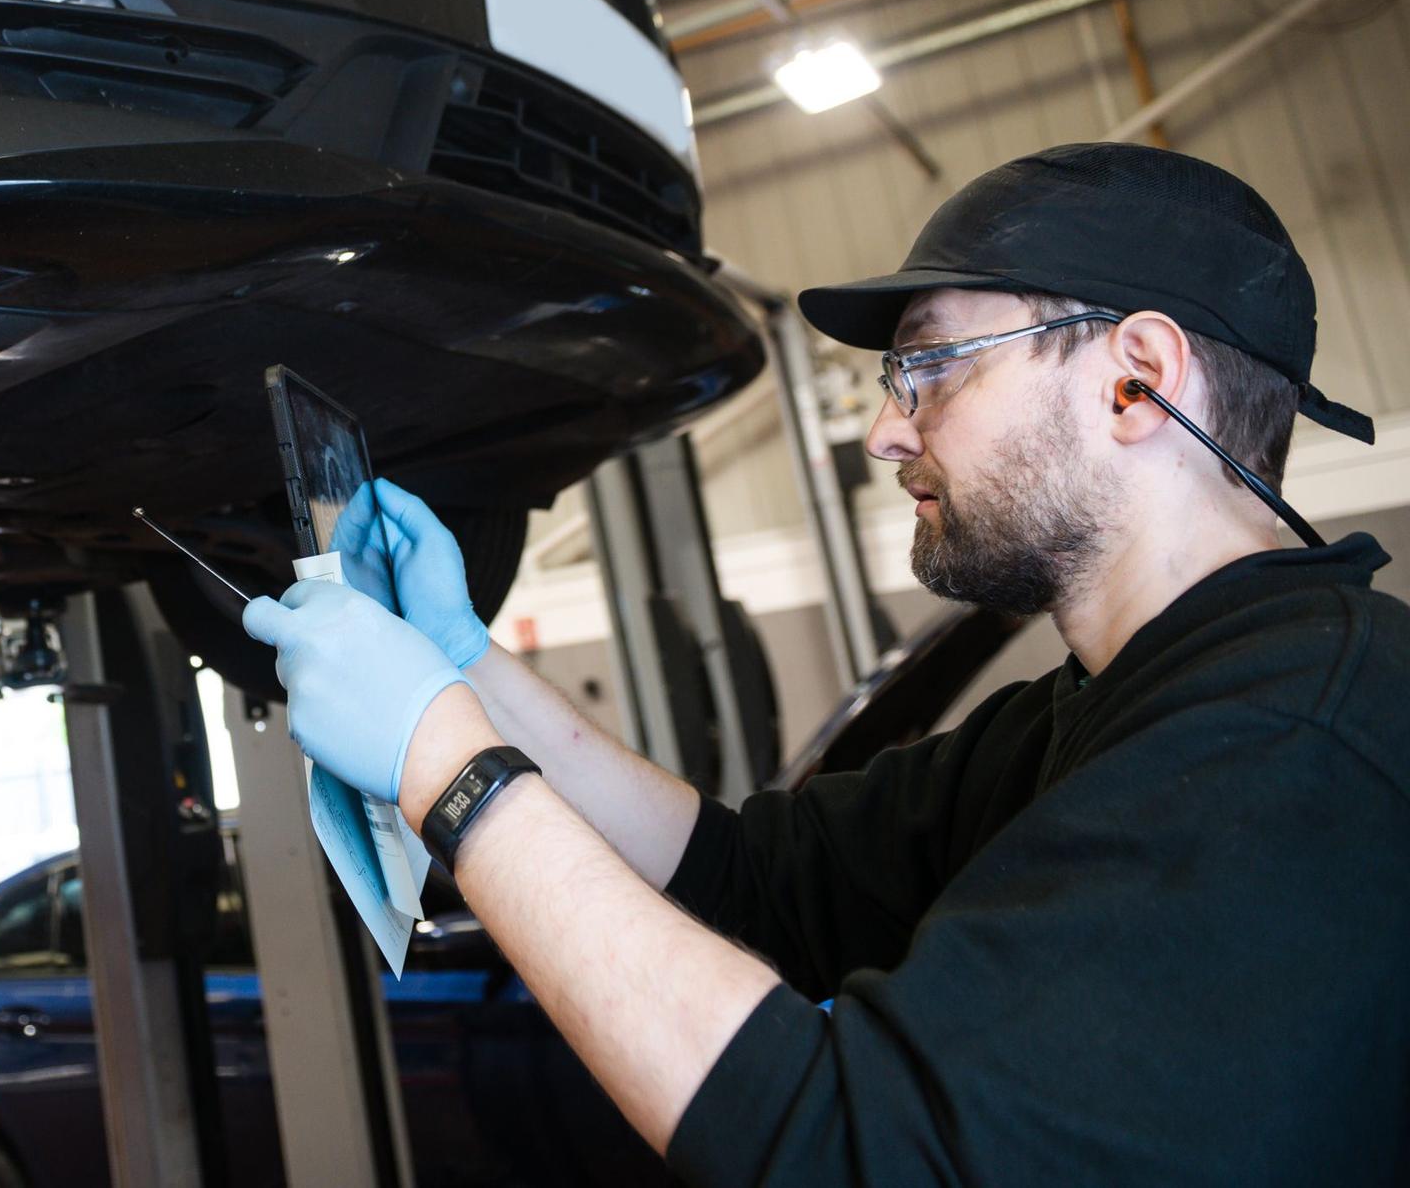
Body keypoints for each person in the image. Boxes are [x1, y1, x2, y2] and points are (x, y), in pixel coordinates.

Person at [245, 143, 1407, 1186]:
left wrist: (448, 768)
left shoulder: (1289, 744)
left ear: (1136, 378)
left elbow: (859, 1149)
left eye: (931, 367)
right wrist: (468, 667)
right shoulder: (1103, 712)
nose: (885, 430)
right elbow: (747, 881)